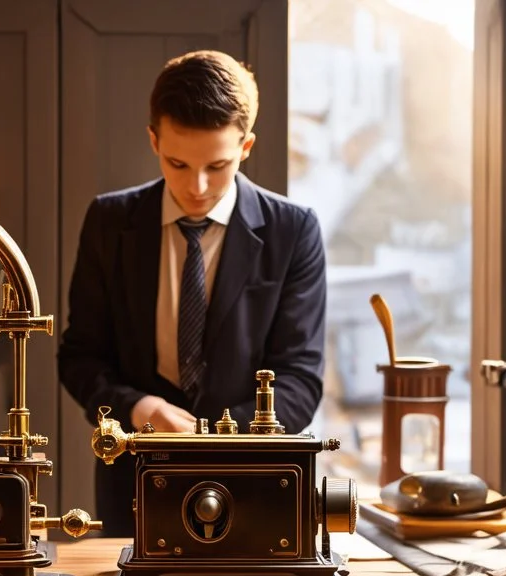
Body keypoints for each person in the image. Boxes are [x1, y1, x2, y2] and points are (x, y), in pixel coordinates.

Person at [57, 50, 327, 537]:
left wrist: (209, 440)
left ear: (247, 147)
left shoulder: (295, 231)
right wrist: (140, 409)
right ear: (153, 140)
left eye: (217, 165)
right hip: (133, 481)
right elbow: (80, 358)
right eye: (177, 163)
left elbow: (300, 380)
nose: (197, 187)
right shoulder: (108, 221)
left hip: (254, 483)